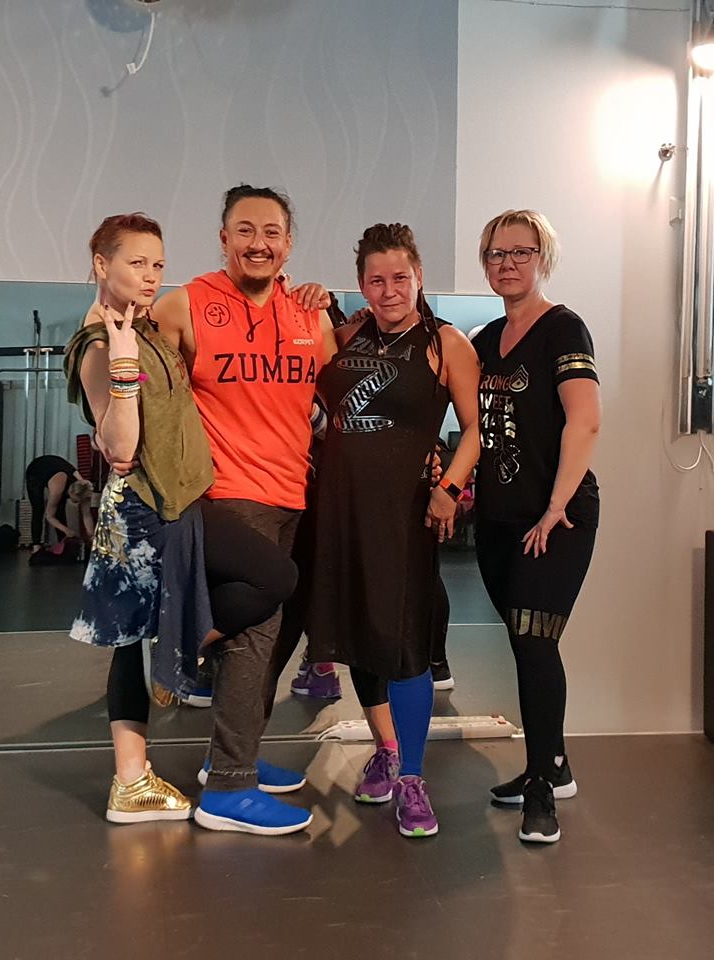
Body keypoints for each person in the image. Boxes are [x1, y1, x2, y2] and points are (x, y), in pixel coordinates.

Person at [65, 213, 296, 824]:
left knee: (137, 637)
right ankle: (174, 659)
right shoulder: (99, 344)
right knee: (273, 578)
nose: (150, 276)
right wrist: (121, 368)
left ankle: (133, 778)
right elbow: (119, 446)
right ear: (101, 265)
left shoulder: (141, 326)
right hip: (151, 509)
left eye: (157, 264)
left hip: (179, 501)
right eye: (136, 263)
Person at [154, 184, 336, 836]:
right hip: (227, 494)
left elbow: (339, 399)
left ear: (288, 244)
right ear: (224, 238)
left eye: (272, 232)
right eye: (246, 230)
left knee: (266, 639)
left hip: (293, 495)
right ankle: (228, 789)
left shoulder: (309, 315)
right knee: (256, 639)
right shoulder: (185, 304)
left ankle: (233, 757)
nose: (259, 243)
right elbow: (136, 380)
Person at [305, 223, 481, 837]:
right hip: (339, 510)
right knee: (360, 636)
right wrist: (310, 302)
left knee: (404, 644)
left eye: (400, 278)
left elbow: (474, 431)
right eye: (376, 280)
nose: (389, 291)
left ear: (419, 276)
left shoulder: (446, 343)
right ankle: (385, 747)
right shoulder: (346, 335)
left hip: (403, 516)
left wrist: (448, 488)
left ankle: (412, 776)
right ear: (362, 285)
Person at [471, 209, 601, 844]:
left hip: (557, 517)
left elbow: (585, 420)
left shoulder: (563, 328)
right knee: (524, 641)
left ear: (541, 258)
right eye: (496, 254)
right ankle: (555, 763)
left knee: (533, 642)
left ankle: (542, 788)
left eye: (520, 252)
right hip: (498, 521)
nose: (508, 263)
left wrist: (554, 507)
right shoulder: (485, 339)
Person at [24, 454, 94, 552]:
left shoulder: (84, 488)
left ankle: (62, 544)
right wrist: (67, 530)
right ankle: (36, 546)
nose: (77, 503)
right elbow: (49, 516)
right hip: (36, 470)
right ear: (71, 492)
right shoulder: (58, 487)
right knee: (38, 508)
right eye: (75, 500)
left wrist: (91, 537)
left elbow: (87, 515)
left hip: (57, 466)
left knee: (60, 510)